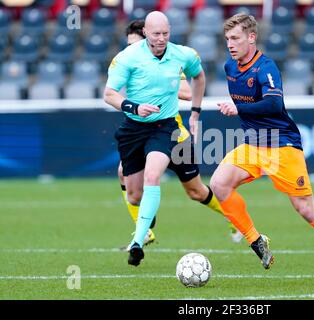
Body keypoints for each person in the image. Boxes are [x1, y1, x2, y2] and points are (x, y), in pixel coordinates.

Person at [210, 13, 314, 285]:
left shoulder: (266, 67)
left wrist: (238, 108)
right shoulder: (230, 68)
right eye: (227, 39)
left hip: (282, 144)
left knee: (306, 209)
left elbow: (273, 105)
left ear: (251, 38)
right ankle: (256, 241)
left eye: (235, 38)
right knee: (219, 184)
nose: (230, 44)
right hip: (253, 144)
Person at [116, 20, 243, 250]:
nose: (129, 49)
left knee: (196, 191)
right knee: (125, 174)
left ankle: (233, 216)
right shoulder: (131, 61)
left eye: (132, 44)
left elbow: (186, 90)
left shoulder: (168, 62)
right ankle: (144, 231)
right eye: (127, 45)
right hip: (144, 133)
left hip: (174, 136)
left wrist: (162, 89)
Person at [104, 11, 212, 267]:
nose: (161, 38)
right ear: (146, 33)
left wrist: (195, 111)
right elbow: (109, 94)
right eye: (156, 34)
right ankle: (145, 221)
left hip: (164, 127)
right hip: (134, 128)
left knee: (154, 175)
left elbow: (199, 76)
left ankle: (138, 243)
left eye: (165, 33)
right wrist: (134, 107)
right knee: (133, 196)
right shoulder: (127, 58)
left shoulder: (183, 54)